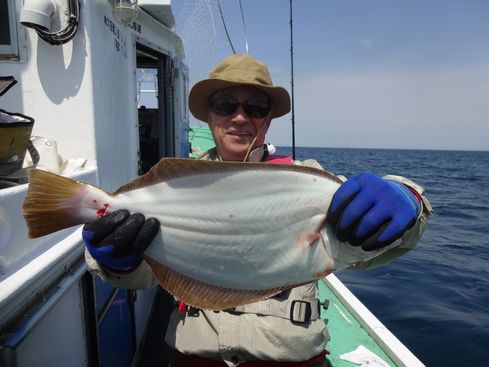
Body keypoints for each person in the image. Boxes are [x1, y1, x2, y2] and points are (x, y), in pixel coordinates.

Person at [83, 54, 432, 367]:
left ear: (267, 119)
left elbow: (382, 244)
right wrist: (116, 261)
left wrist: (407, 199)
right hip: (194, 359)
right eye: (224, 105)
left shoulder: (311, 179)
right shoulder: (174, 188)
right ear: (209, 116)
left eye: (255, 108)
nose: (239, 117)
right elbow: (144, 276)